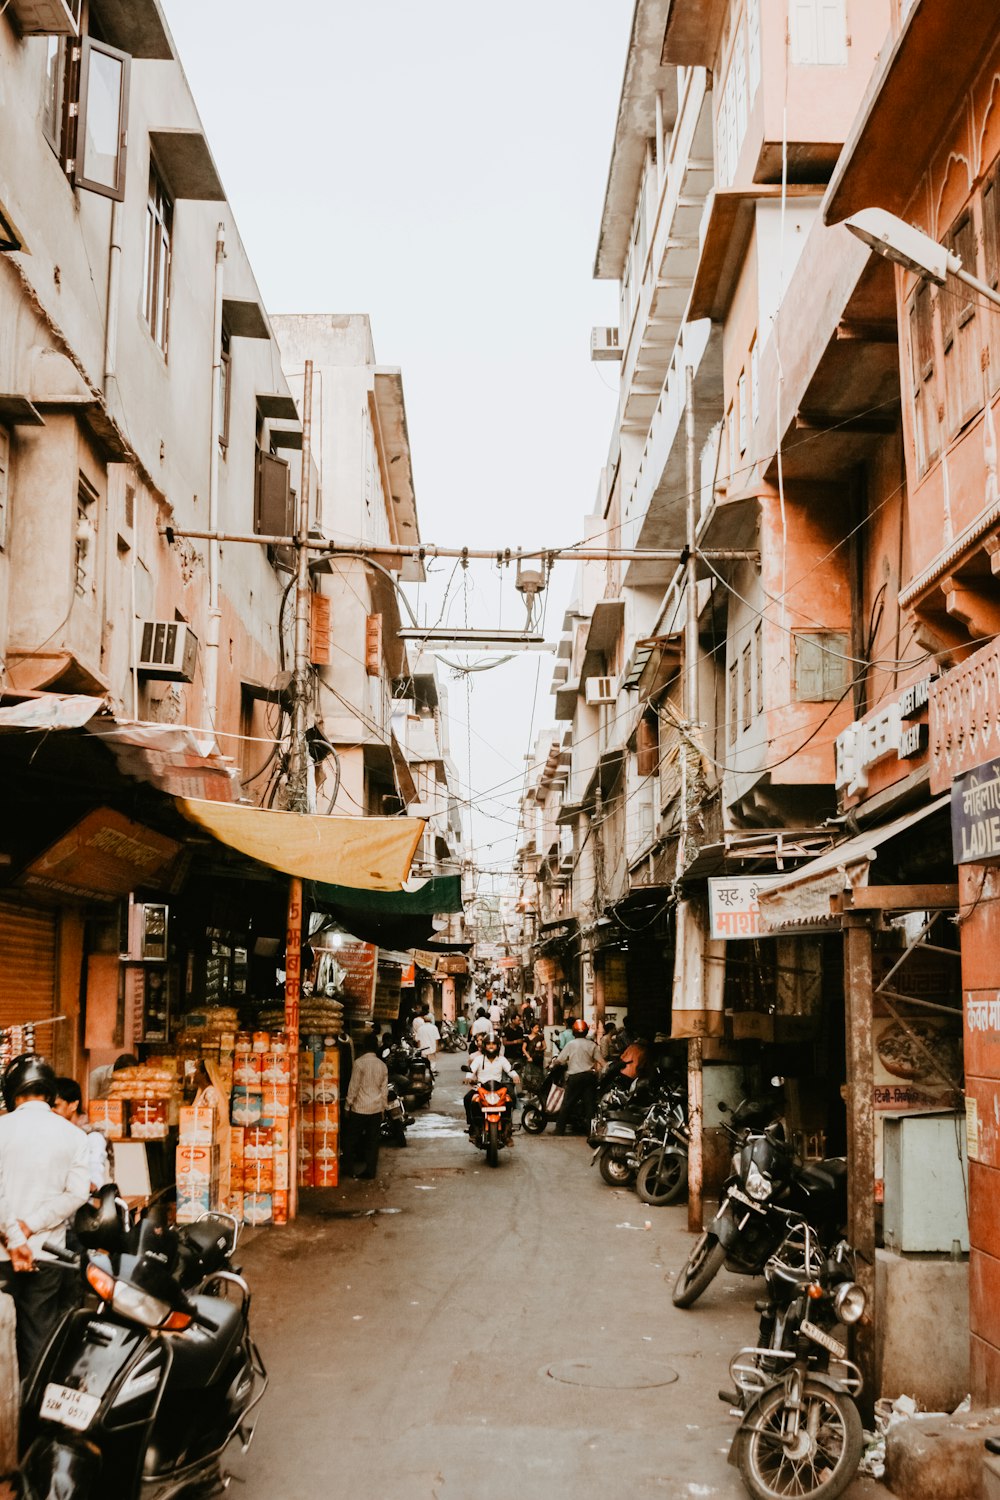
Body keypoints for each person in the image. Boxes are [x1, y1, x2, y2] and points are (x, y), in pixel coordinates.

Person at [0, 1054, 90, 1380]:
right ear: (49, 1092)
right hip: (47, 1255)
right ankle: (34, 1420)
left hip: (3, 1256)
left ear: (11, 1091)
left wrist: (14, 1235)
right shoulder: (74, 1137)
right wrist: (31, 1227)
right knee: (38, 1339)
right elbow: (78, 1194)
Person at [343, 1034, 389, 1181]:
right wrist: (383, 1108)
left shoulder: (359, 1063)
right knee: (372, 1142)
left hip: (360, 1109)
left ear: (363, 1047)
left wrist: (347, 1105)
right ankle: (370, 1171)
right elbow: (384, 1091)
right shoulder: (382, 1065)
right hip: (375, 1109)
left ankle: (349, 1169)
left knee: (350, 1139)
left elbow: (354, 1087)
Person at [53, 1077, 110, 1192]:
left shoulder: (92, 1137)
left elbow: (95, 1172)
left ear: (73, 1105)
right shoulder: (53, 1133)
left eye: (56, 1106)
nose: (51, 1110)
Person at [464, 1038, 519, 1142]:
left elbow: (510, 1069)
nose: (491, 1046)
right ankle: (473, 1127)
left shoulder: (502, 1059)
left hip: (498, 1088)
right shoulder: (479, 1059)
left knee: (511, 1098)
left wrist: (515, 1076)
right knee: (467, 1099)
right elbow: (471, 1070)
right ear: (484, 1046)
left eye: (493, 1044)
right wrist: (468, 1077)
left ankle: (507, 1128)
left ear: (498, 1046)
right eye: (488, 1044)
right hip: (481, 1087)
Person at [553, 1021, 603, 1136]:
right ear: (586, 1032)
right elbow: (602, 1062)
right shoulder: (592, 1045)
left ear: (574, 1032)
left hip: (575, 1077)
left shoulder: (571, 1044)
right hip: (589, 1077)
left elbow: (559, 1060)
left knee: (566, 1104)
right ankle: (591, 1132)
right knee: (589, 1105)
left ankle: (559, 1130)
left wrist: (553, 1065)